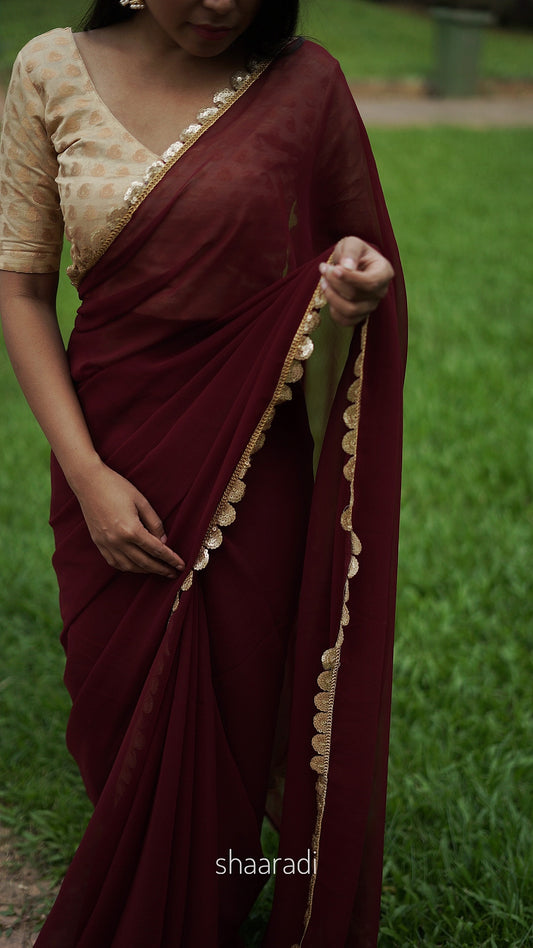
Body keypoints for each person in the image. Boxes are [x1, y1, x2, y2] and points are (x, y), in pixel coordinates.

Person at [0, 1, 407, 945]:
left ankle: (218, 889)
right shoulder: (48, 70)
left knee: (239, 691)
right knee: (117, 700)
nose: (224, 1)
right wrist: (89, 474)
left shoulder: (307, 84)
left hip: (253, 449)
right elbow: (21, 290)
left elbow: (355, 252)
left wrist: (356, 281)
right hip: (109, 444)